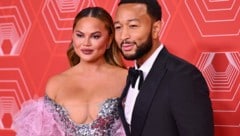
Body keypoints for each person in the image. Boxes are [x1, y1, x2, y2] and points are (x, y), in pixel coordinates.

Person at [13, 7, 127, 136]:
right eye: (80, 35)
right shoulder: (56, 84)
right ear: (73, 36)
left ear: (109, 39)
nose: (86, 43)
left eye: (95, 36)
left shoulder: (126, 79)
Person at [113, 0, 214, 136]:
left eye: (133, 26)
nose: (124, 36)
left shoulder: (183, 77)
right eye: (118, 27)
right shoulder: (132, 76)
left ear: (156, 29)